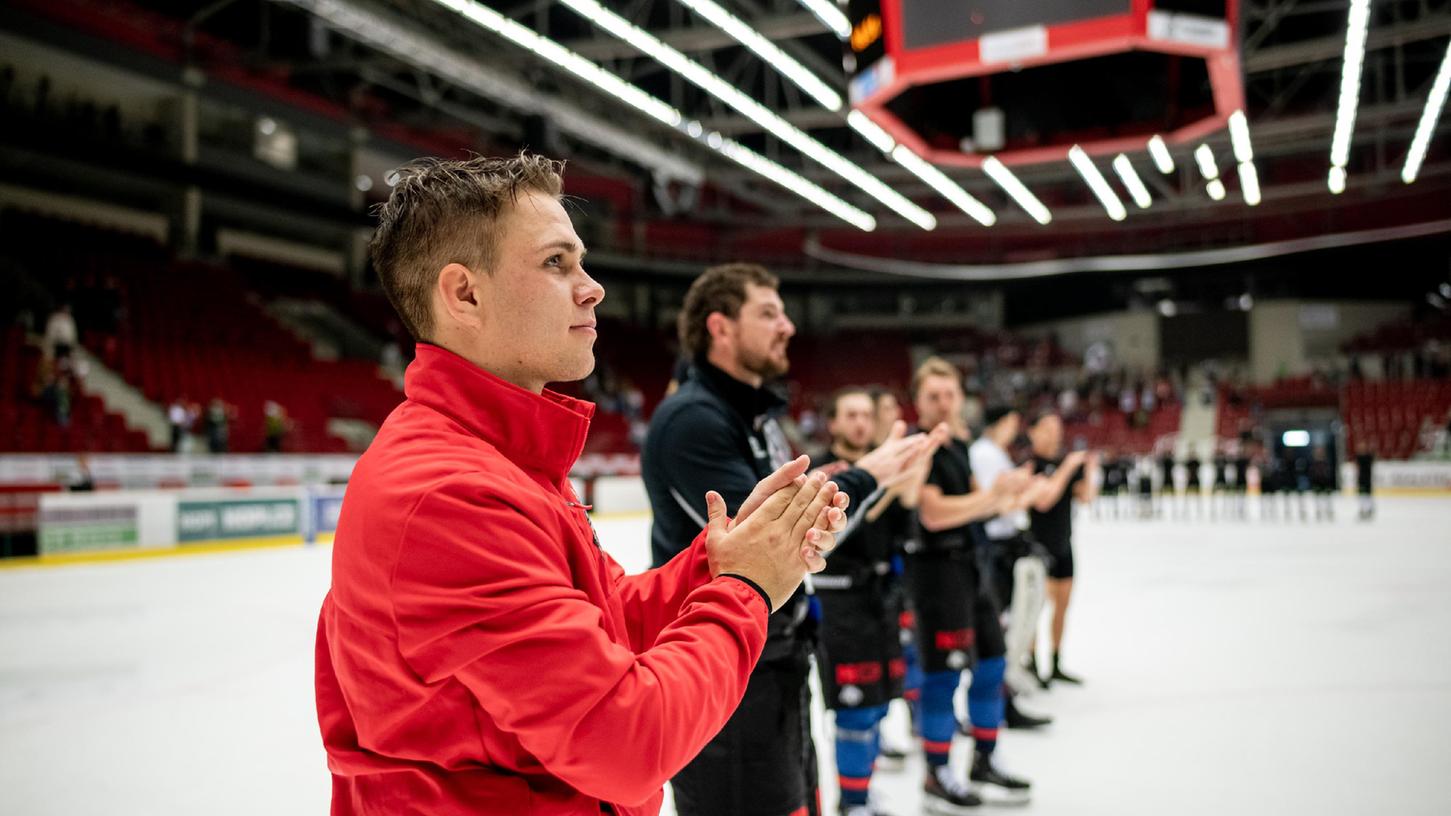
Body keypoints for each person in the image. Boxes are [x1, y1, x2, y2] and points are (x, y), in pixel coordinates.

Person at [315, 154, 848, 816]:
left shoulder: (504, 461)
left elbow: (607, 618)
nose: (592, 288)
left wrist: (715, 563)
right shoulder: (447, 494)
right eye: (555, 263)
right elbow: (627, 743)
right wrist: (746, 589)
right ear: (464, 294)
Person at [642, 263, 931, 816]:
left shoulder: (755, 417)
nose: (788, 326)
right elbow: (774, 528)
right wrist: (869, 472)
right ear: (720, 328)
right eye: (769, 313)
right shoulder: (692, 420)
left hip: (773, 664)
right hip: (725, 677)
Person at [812, 387, 944, 816]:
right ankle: (852, 802)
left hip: (880, 598)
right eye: (850, 414)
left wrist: (918, 462)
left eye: (866, 415)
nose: (860, 423)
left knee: (879, 703)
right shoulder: (820, 470)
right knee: (855, 706)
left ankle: (861, 793)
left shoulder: (876, 468)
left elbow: (904, 509)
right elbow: (852, 521)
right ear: (833, 422)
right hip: (841, 604)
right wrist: (888, 476)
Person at [908, 357, 1032, 808]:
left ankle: (984, 758)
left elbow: (981, 501)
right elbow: (933, 513)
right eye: (933, 396)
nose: (943, 403)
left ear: (961, 397)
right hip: (936, 574)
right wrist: (991, 498)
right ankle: (936, 773)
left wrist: (1008, 493)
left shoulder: (959, 443)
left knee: (993, 664)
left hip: (972, 567)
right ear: (917, 401)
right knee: (942, 676)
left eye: (949, 394)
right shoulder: (918, 445)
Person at [966, 407, 1054, 727]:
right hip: (998, 547)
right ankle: (1001, 699)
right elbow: (995, 503)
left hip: (1001, 546)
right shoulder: (987, 454)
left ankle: (1003, 696)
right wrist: (1028, 493)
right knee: (1002, 627)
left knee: (1006, 625)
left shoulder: (990, 453)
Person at [1026, 414, 1094, 687]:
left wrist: (1089, 469)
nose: (1054, 435)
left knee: (1062, 606)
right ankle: (1031, 661)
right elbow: (1044, 500)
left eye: (1057, 429)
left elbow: (1085, 496)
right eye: (1047, 429)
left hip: (1064, 544)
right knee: (1036, 607)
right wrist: (1068, 467)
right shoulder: (1032, 466)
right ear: (1034, 432)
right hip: (1038, 546)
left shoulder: (1065, 464)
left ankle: (1055, 662)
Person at [1356, 441, 1376, 520]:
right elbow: (1357, 467)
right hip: (1361, 479)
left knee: (1368, 495)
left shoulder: (1369, 456)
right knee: (1361, 495)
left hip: (1367, 479)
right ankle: (1362, 509)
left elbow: (1373, 460)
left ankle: (1369, 509)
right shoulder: (1358, 457)